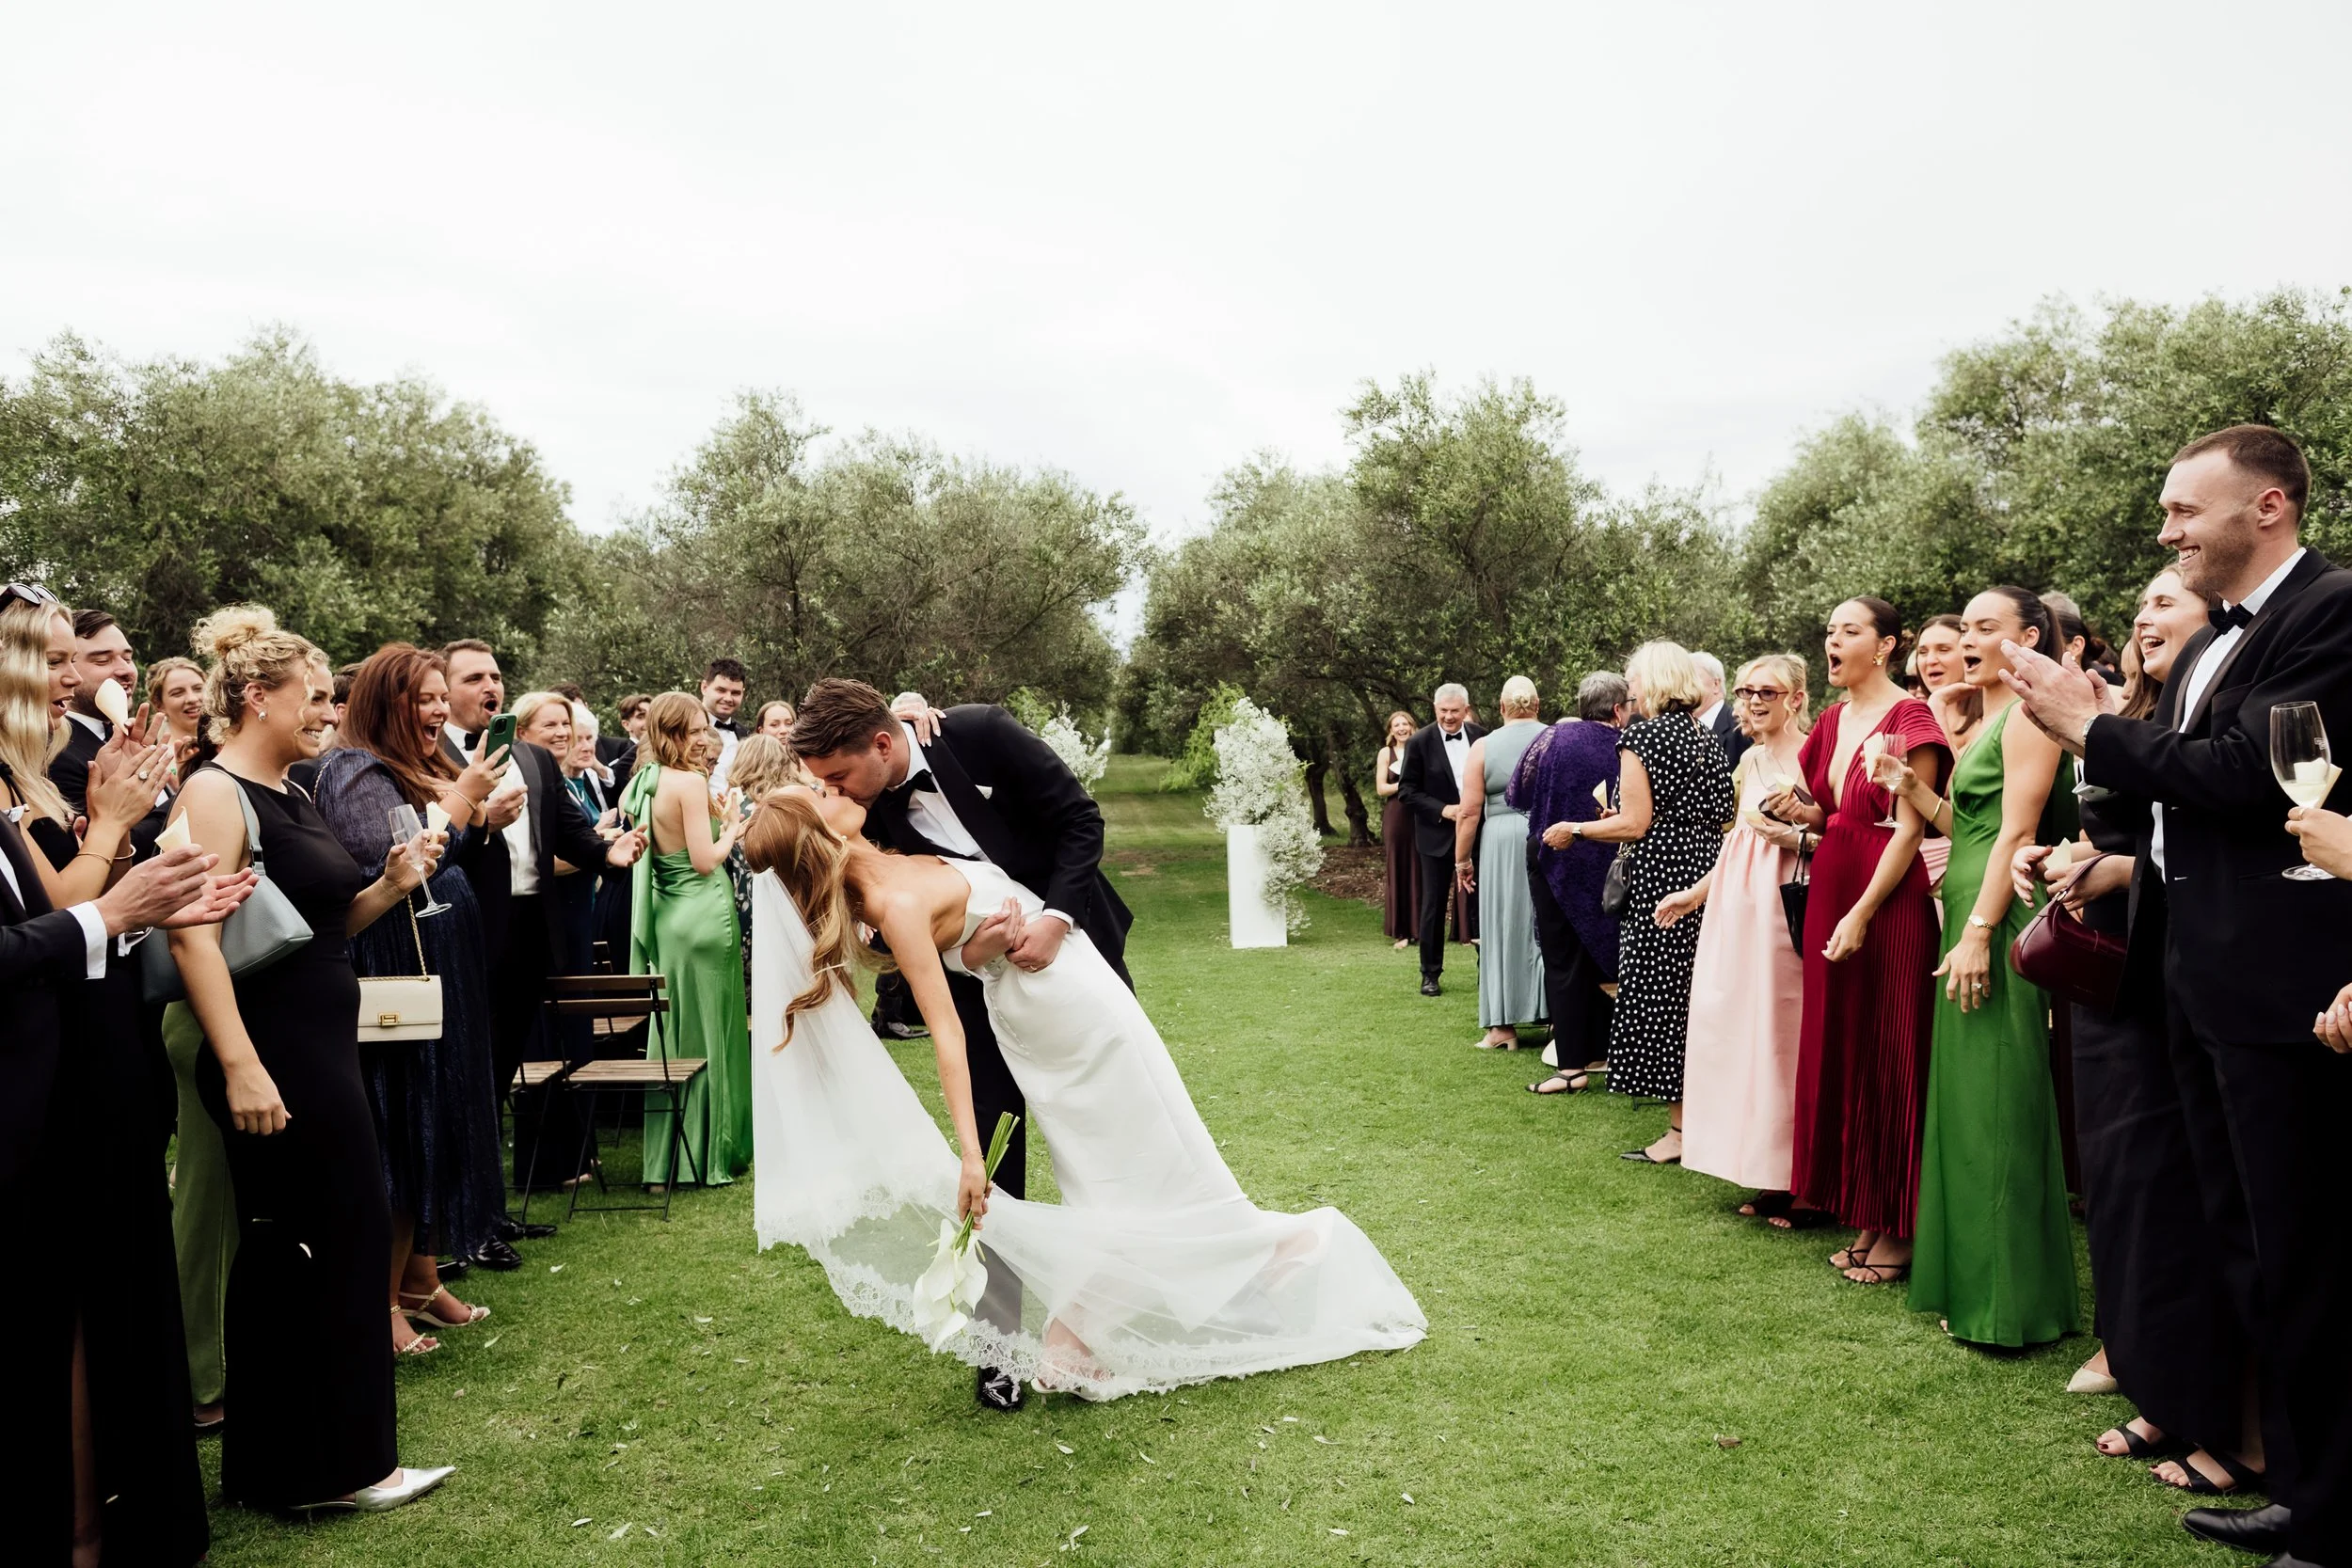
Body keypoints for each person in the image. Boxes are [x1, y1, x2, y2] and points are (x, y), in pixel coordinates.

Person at [741, 785, 1425, 1398]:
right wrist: (973, 1157)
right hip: (1060, 1015)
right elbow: (947, 1033)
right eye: (820, 791)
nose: (833, 785)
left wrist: (979, 945)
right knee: (1134, 1158)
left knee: (1144, 1150)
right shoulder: (888, 902)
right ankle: (1244, 1257)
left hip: (1067, 983)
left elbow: (962, 943)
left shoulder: (891, 857)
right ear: (820, 831)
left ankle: (1094, 1328)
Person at [2003, 425, 2352, 1567]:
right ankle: (2299, 1487)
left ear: (2265, 507)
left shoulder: (2329, 610)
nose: (2164, 533)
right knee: (2251, 1248)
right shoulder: (2214, 645)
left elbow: (2244, 780)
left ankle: (2333, 1509)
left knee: (2307, 1255)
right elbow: (2177, 803)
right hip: (2197, 986)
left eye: (2180, 511)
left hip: (2286, 993)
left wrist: (2084, 726)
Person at [165, 604, 455, 1515]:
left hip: (321, 1035)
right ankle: (337, 1467)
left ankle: (298, 1464)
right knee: (316, 1241)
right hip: (273, 1048)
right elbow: (194, 938)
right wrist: (242, 1062)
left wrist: (390, 885)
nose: (327, 713)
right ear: (258, 697)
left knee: (334, 1238)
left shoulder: (291, 791)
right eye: (313, 697)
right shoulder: (217, 793)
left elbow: (316, 928)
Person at [791, 677, 1134, 1413]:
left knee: (1108, 1140)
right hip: (976, 996)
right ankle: (998, 1350)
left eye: (837, 776)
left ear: (884, 743)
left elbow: (1080, 820)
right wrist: (966, 955)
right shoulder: (861, 806)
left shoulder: (978, 733)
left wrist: (1058, 919)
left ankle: (1087, 1327)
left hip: (1076, 959)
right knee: (994, 1158)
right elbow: (884, 923)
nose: (830, 791)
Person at [0, 586, 251, 1567]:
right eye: (56, 657)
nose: (76, 676)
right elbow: (53, 922)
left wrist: (161, 898)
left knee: (85, 1316)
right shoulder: (28, 780)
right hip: (38, 1085)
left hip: (84, 1065)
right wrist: (112, 844)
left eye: (82, 657)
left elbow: (72, 921)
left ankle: (94, 1521)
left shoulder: (32, 775)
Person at [2016, 566, 2255, 1494]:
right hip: (2114, 979)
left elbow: (2209, 843)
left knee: (2175, 1199)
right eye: (2144, 604)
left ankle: (2212, 1408)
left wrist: (2120, 872)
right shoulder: (2130, 715)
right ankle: (2160, 1383)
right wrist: (2074, 858)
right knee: (2123, 1192)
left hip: (2171, 980)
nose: (2147, 616)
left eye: (2169, 602)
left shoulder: (2196, 724)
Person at [1877, 588, 2078, 1345]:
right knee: (1964, 1104)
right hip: (1962, 908)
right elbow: (1969, 824)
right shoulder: (1985, 716)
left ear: (2029, 637)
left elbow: (2016, 830)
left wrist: (1980, 930)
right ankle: (1970, 1284)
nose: (1965, 640)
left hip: (1996, 917)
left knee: (2001, 1100)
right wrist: (1915, 786)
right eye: (1964, 627)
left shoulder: (2032, 715)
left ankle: (2010, 1306)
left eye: (1984, 628)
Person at [312, 645, 512, 1354]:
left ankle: (420, 1280)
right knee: (404, 1123)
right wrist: (464, 801)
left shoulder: (411, 763)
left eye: (439, 697)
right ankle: (381, 1302)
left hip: (440, 956)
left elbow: (450, 848)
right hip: (396, 963)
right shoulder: (355, 771)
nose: (436, 710)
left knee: (439, 1116)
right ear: (384, 702)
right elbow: (390, 858)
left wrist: (474, 808)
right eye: (423, 699)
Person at [1764, 597, 1950, 1288]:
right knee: (1845, 1047)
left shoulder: (1912, 720)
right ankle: (1867, 1214)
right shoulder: (1835, 720)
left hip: (1884, 902)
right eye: (1830, 630)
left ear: (1886, 646)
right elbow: (1831, 812)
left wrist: (1865, 913)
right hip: (1832, 889)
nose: (1833, 641)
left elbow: (1909, 829)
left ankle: (1902, 1224)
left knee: (1892, 1049)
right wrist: (1801, 810)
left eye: (1850, 631)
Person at [440, 641, 646, 1214]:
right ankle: (458, 1210)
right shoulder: (430, 756)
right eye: (474, 677)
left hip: (534, 929)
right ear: (446, 689)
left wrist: (613, 854)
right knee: (468, 1071)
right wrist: (479, 817)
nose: (490, 687)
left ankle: (489, 1210)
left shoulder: (530, 758)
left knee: (506, 1066)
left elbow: (570, 836)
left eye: (496, 676)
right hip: (469, 929)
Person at [1572, 642, 1736, 1164]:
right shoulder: (1705, 739)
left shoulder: (1641, 735)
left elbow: (1634, 822)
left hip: (1661, 874)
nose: (1630, 688)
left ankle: (1679, 1133)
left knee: (1660, 996)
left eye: (1634, 678)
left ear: (1653, 682)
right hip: (1706, 870)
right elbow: (1725, 816)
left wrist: (1575, 827)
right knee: (1694, 994)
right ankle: (1703, 1122)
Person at [1665, 654, 1814, 1218]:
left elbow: (1844, 840)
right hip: (1738, 913)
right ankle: (1769, 1171)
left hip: (1789, 911)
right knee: (1749, 1040)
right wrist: (1694, 894)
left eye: (1768, 692)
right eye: (1748, 691)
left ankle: (1807, 1179)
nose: (1754, 701)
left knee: (1787, 1039)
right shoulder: (1749, 759)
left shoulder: (1815, 756)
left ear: (1796, 698)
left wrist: (1793, 838)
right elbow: (1739, 843)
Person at [620, 692, 753, 1189]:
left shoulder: (638, 786)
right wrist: (733, 828)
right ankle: (707, 1152)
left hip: (667, 919)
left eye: (704, 730)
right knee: (712, 1031)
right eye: (694, 730)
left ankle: (663, 1163)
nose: (703, 739)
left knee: (672, 1035)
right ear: (672, 734)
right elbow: (704, 859)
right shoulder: (688, 784)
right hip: (704, 913)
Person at [1512, 673, 1629, 1094]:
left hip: (1551, 854)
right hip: (1606, 858)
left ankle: (1572, 1066)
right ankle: (1605, 1050)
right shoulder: (1624, 744)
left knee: (1562, 960)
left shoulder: (1554, 738)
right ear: (1618, 709)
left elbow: (1518, 791)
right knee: (1605, 953)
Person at [1455, 678, 1547, 1049]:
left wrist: (1462, 860)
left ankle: (1502, 1027)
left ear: (1502, 707)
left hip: (1500, 841)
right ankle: (1553, 1015)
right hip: (1545, 833)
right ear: (1537, 705)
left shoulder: (1483, 746)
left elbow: (1468, 812)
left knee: (1501, 921)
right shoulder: (1554, 738)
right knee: (1544, 921)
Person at [1396, 684, 1484, 997]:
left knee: (1480, 905)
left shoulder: (1481, 736)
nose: (1449, 717)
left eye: (1455, 711)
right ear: (1435, 709)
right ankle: (1430, 974)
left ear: (1466, 709)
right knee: (1433, 905)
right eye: (1443, 711)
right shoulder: (1419, 742)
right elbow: (1407, 791)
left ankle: (1486, 972)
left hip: (1477, 835)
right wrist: (1444, 810)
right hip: (1435, 837)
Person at [1911, 612, 1971, 892]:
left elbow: (1958, 789)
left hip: (1965, 861)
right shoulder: (1910, 717)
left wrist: (1937, 706)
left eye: (1943, 650)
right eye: (1923, 651)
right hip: (1912, 859)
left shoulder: (1989, 720)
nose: (1929, 660)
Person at [1375, 711, 1419, 951]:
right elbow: (1381, 788)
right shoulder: (1386, 753)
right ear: (1391, 730)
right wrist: (1405, 784)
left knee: (1418, 867)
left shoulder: (1420, 749)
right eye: (1396, 725)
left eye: (1405, 724)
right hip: (1396, 815)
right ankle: (1400, 931)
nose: (1401, 728)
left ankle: (1418, 928)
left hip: (1418, 815)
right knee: (1398, 867)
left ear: (1412, 727)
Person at [147, 655, 206, 780]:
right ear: (159, 704)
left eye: (198, 689)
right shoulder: (160, 762)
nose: (192, 699)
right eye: (178, 693)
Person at [1692, 650, 1752, 768]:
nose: (1686, 685)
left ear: (1716, 684)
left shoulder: (1741, 727)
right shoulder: (1683, 728)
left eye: (1693, 678)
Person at [702, 657, 750, 787]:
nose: (728, 698)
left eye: (735, 693)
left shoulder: (746, 735)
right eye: (721, 690)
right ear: (704, 687)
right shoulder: (685, 728)